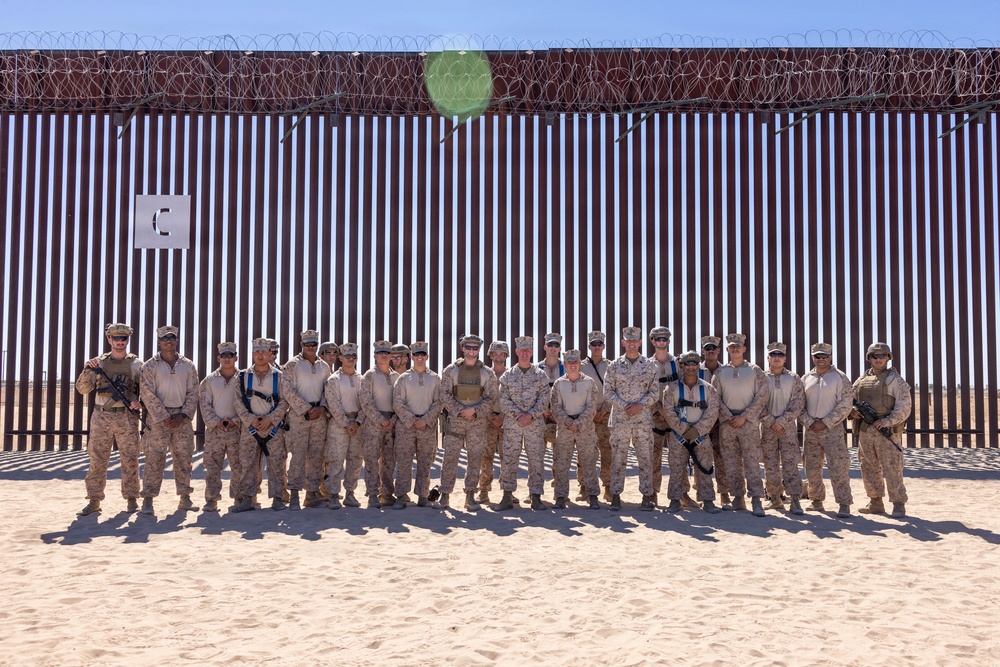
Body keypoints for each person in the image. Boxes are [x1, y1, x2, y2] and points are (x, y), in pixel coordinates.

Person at [75, 323, 143, 516]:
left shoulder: (137, 365)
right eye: (116, 338)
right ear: (109, 340)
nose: (120, 342)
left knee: (130, 459)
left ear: (127, 340)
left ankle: (131, 499)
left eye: (123, 338)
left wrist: (141, 403)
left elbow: (147, 389)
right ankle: (94, 500)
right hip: (101, 416)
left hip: (126, 417)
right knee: (97, 459)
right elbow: (82, 389)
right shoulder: (98, 364)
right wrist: (87, 369)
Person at [138, 325, 200, 515]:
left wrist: (183, 414)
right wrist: (164, 416)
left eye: (172, 338)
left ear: (177, 341)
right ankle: (148, 499)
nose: (168, 341)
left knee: (184, 459)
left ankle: (185, 497)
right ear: (159, 342)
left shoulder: (188, 365)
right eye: (165, 338)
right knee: (154, 459)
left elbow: (194, 391)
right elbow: (146, 393)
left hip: (182, 418)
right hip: (158, 420)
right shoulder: (149, 366)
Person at [711, 333, 769, 517]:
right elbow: (715, 397)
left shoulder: (754, 370)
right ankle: (738, 498)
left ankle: (756, 499)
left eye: (738, 346)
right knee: (731, 462)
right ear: (727, 349)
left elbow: (762, 396)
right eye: (732, 346)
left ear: (744, 348)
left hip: (748, 423)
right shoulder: (720, 372)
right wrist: (729, 416)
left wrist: (745, 416)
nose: (735, 349)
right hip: (728, 423)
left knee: (752, 462)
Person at [851, 342, 912, 518]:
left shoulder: (894, 380)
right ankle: (875, 502)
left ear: (888, 358)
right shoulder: (862, 380)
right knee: (868, 467)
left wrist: (887, 421)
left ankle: (898, 504)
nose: (878, 359)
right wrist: (851, 412)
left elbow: (904, 406)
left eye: (882, 356)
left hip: (887, 431)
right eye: (874, 356)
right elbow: (849, 399)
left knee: (892, 467)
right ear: (869, 358)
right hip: (866, 430)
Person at [440, 334, 499, 511]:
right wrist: (460, 410)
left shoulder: (487, 373)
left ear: (479, 350)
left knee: (475, 459)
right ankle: (445, 495)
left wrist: (474, 411)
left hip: (477, 421)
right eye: (468, 347)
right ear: (462, 348)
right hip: (456, 420)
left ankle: (470, 495)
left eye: (475, 348)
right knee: (450, 457)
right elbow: (444, 394)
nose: (471, 351)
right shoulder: (451, 370)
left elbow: (491, 397)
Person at [603, 327, 660, 511]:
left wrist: (640, 405)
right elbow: (608, 392)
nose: (632, 344)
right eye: (628, 341)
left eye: (635, 340)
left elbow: (655, 393)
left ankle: (646, 496)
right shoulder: (614, 366)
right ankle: (615, 495)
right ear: (623, 343)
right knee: (618, 458)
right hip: (620, 420)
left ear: (640, 342)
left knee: (645, 458)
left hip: (642, 420)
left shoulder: (650, 366)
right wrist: (624, 405)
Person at [231, 338, 290, 512]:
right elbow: (237, 401)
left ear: (269, 354)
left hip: (273, 428)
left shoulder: (279, 376)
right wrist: (251, 419)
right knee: (248, 463)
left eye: (263, 352)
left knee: (276, 464)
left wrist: (271, 419)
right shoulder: (243, 376)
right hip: (250, 428)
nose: (260, 355)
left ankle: (277, 498)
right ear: (252, 354)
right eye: (257, 352)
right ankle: (248, 499)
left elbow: (285, 400)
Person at [662, 350, 722, 513]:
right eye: (687, 364)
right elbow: (668, 411)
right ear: (682, 366)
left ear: (698, 365)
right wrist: (683, 429)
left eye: (694, 363)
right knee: (676, 468)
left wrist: (697, 430)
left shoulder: (708, 389)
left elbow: (712, 411)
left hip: (701, 436)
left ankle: (707, 500)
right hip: (678, 436)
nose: (691, 367)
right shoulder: (671, 389)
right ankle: (675, 500)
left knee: (704, 467)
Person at [800, 342, 855, 518]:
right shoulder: (806, 378)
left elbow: (845, 404)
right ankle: (816, 500)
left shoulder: (839, 377)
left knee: (838, 467)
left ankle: (844, 503)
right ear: (812, 357)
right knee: (811, 468)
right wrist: (809, 422)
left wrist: (825, 422)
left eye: (824, 356)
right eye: (817, 356)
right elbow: (798, 405)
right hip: (811, 430)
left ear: (830, 357)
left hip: (832, 430)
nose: (821, 359)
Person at [497, 336, 551, 511]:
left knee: (536, 460)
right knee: (509, 460)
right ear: (516, 352)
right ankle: (507, 496)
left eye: (528, 350)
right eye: (522, 350)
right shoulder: (508, 376)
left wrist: (531, 415)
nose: (525, 353)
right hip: (513, 425)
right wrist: (518, 415)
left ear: (532, 352)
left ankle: (535, 496)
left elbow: (545, 399)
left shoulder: (540, 375)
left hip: (534, 426)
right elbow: (503, 400)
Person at [280, 329, 331, 509]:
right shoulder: (292, 365)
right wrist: (306, 409)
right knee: (298, 455)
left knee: (317, 456)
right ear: (301, 345)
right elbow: (287, 390)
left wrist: (321, 408)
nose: (310, 347)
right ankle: (294, 493)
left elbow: (328, 390)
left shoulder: (324, 366)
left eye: (314, 344)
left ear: (317, 345)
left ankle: (311, 494)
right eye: (307, 344)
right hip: (299, 416)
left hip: (319, 416)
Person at [392, 342, 442, 509]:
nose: (420, 358)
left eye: (422, 354)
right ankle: (401, 496)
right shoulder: (403, 378)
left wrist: (425, 420)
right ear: (412, 357)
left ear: (427, 356)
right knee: (404, 462)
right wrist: (413, 420)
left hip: (426, 426)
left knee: (425, 462)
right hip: (406, 426)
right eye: (416, 355)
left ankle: (423, 496)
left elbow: (439, 402)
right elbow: (398, 402)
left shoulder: (435, 378)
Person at [550, 349, 601, 509]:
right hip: (565, 428)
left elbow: (591, 406)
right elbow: (555, 406)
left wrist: (578, 423)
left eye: (575, 362)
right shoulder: (559, 384)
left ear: (580, 364)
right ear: (565, 364)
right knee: (561, 463)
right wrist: (567, 422)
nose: (573, 365)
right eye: (569, 362)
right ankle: (560, 496)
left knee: (589, 461)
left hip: (585, 427)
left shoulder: (589, 383)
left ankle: (592, 495)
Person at [760, 342, 805, 515]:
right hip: (768, 428)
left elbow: (798, 402)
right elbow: (758, 402)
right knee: (770, 465)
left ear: (785, 358)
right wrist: (771, 422)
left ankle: (795, 500)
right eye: (773, 354)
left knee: (790, 464)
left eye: (780, 355)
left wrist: (783, 421)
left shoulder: (793, 378)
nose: (776, 358)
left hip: (787, 429)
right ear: (768, 358)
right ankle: (775, 499)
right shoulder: (761, 378)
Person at [198, 341, 243, 512]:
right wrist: (216, 421)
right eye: (224, 356)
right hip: (215, 431)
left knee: (238, 466)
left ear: (236, 358)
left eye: (230, 355)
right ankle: (211, 499)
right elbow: (205, 404)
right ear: (218, 358)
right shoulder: (209, 380)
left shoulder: (243, 379)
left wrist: (235, 421)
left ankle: (238, 498)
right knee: (212, 467)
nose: (227, 359)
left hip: (236, 430)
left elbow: (247, 405)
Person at [323, 342, 364, 509]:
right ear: (340, 358)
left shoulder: (361, 380)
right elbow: (333, 404)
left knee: (355, 460)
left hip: (357, 425)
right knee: (336, 459)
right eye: (347, 356)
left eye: (354, 356)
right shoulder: (334, 380)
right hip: (339, 424)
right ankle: (333, 494)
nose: (351, 359)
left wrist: (358, 422)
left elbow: (365, 404)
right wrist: (346, 424)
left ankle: (350, 493)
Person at [359, 340, 400, 508]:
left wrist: (393, 420)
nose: (384, 355)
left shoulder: (396, 377)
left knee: (389, 460)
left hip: (391, 423)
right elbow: (365, 401)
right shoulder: (369, 376)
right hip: (374, 423)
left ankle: (387, 493)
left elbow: (400, 402)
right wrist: (380, 419)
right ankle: (372, 494)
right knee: (371, 459)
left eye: (387, 353)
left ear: (391, 356)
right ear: (374, 356)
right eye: (380, 352)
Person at [648, 325, 681, 506]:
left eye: (664, 339)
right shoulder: (647, 364)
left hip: (675, 416)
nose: (661, 342)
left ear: (668, 341)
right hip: (654, 416)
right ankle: (652, 493)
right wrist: (659, 409)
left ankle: (681, 494)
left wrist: (671, 411)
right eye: (658, 339)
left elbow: (684, 386)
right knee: (654, 457)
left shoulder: (678, 363)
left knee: (678, 456)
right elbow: (643, 389)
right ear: (652, 341)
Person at [579, 331, 612, 501]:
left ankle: (608, 486)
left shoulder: (611, 366)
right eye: (594, 344)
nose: (597, 347)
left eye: (599, 344)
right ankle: (584, 486)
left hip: (606, 414)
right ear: (589, 346)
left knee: (607, 452)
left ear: (604, 346)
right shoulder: (581, 366)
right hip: (586, 415)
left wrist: (603, 411)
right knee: (585, 452)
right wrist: (591, 413)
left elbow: (615, 390)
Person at [477, 340, 509, 505]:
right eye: (495, 353)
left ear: (506, 356)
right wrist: (491, 416)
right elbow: (479, 397)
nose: (498, 356)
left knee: (508, 457)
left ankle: (508, 492)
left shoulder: (511, 375)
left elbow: (515, 399)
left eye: (501, 354)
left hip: (507, 420)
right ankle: (483, 491)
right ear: (490, 355)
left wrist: (502, 416)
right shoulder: (484, 374)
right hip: (487, 421)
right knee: (486, 456)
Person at [699, 335, 727, 503]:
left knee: (721, 458)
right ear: (703, 351)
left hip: (720, 422)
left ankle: (724, 493)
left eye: (713, 348)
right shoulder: (695, 369)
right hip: (700, 422)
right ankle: (701, 493)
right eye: (707, 348)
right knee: (701, 458)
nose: (710, 351)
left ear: (718, 350)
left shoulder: (725, 371)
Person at [538, 332, 564, 447]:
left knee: (560, 453)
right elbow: (532, 393)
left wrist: (557, 411)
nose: (553, 348)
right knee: (537, 452)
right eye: (550, 345)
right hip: (540, 415)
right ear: (545, 347)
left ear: (560, 348)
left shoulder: (566, 368)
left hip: (561, 414)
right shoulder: (536, 368)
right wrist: (543, 410)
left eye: (556, 345)